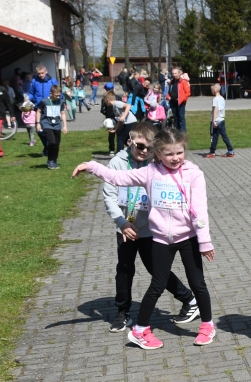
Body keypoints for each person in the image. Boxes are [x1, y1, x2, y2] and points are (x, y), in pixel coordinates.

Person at [72, 128, 217, 349]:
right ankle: (140, 330)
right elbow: (117, 178)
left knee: (198, 283)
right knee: (157, 285)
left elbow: (200, 211)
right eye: (169, 154)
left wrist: (204, 242)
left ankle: (207, 326)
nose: (175, 158)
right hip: (161, 239)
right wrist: (91, 166)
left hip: (188, 238)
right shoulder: (150, 172)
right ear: (157, 153)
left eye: (179, 152)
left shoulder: (194, 174)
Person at [101, 122, 197, 332]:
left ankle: (189, 299)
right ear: (130, 141)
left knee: (157, 270)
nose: (145, 151)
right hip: (126, 227)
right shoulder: (117, 163)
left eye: (150, 147)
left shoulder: (158, 163)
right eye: (140, 146)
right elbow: (109, 196)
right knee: (124, 269)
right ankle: (122, 312)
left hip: (152, 229)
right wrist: (121, 222)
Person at [36, 85, 68, 169]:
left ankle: (54, 160)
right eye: (56, 95)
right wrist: (38, 123)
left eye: (59, 95)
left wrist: (65, 126)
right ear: (51, 93)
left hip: (57, 125)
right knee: (52, 142)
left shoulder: (60, 102)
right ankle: (50, 160)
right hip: (47, 124)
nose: (58, 97)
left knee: (56, 144)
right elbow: (38, 111)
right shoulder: (44, 101)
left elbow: (62, 113)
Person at [206, 83, 234, 158]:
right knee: (224, 135)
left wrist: (214, 120)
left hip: (217, 120)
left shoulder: (215, 99)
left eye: (211, 90)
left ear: (215, 90)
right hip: (222, 119)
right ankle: (230, 150)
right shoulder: (222, 98)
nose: (211, 91)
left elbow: (216, 109)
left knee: (214, 136)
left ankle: (212, 152)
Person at [168, 67, 191, 132]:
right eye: (173, 73)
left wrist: (182, 99)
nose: (174, 75)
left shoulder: (183, 82)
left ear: (179, 73)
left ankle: (183, 132)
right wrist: (168, 97)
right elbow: (169, 92)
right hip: (173, 102)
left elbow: (188, 93)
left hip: (180, 103)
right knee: (176, 118)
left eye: (175, 73)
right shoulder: (171, 82)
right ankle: (177, 132)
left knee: (181, 118)